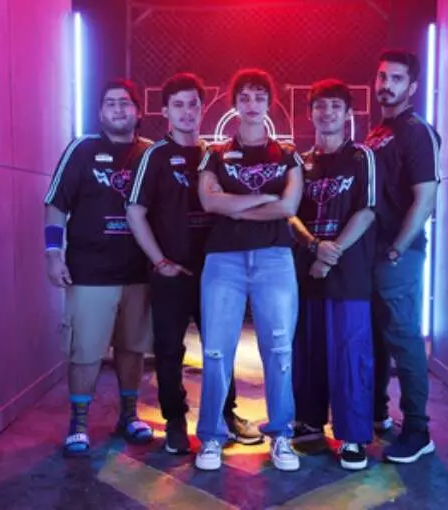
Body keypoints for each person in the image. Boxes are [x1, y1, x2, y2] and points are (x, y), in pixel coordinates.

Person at [126, 72, 263, 455]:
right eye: (179, 105)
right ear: (166, 111)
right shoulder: (154, 156)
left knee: (220, 346)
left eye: (193, 104)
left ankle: (226, 413)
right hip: (171, 274)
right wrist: (159, 261)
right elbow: (135, 212)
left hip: (216, 272)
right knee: (169, 350)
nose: (187, 112)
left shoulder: (214, 155)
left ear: (203, 109)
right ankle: (175, 420)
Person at [194, 68, 303, 472]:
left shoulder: (287, 153)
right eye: (245, 97)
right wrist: (261, 199)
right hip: (224, 259)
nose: (252, 104)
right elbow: (210, 202)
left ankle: (282, 435)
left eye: (259, 96)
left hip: (275, 259)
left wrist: (235, 205)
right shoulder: (216, 153)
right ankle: (211, 436)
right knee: (216, 350)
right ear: (235, 104)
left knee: (279, 350)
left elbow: (288, 207)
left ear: (269, 104)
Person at [43, 79, 155, 456]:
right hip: (90, 272)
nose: (118, 109)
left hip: (139, 273)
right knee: (85, 352)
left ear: (138, 110)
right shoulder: (82, 150)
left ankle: (129, 416)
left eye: (125, 102)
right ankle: (78, 424)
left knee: (132, 347)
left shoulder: (150, 153)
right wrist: (53, 253)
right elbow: (55, 204)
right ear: (100, 112)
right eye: (110, 103)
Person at [289, 79, 379, 471]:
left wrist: (330, 253)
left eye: (335, 107)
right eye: (320, 106)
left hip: (349, 274)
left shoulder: (362, 157)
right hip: (306, 271)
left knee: (350, 353)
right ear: (310, 113)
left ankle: (353, 435)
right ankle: (309, 420)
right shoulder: (299, 162)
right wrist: (314, 248)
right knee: (308, 350)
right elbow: (288, 213)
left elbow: (367, 211)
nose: (327, 113)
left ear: (348, 114)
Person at [365, 49, 441, 463]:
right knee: (377, 335)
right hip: (371, 252)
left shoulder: (416, 131)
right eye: (382, 76)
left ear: (412, 87)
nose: (386, 84)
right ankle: (378, 413)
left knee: (404, 337)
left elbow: (426, 197)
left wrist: (397, 246)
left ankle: (417, 430)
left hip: (398, 253)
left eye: (396, 78)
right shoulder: (378, 132)